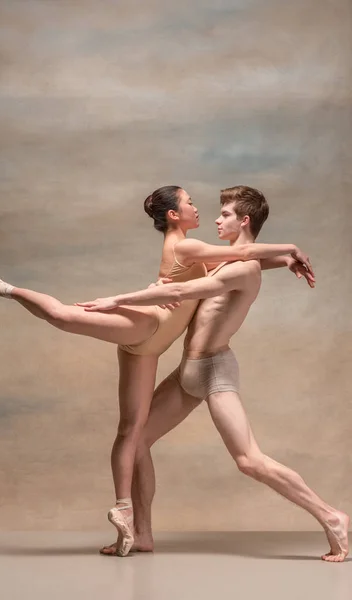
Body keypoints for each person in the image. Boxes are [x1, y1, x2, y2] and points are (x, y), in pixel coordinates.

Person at [0, 185, 313, 557]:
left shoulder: (199, 252)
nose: (202, 210)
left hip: (154, 348)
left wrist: (282, 261)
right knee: (64, 316)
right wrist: (289, 248)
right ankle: (8, 289)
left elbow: (239, 265)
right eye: (190, 203)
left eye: (211, 208)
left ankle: (135, 528)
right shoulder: (185, 246)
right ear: (173, 215)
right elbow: (242, 254)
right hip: (149, 326)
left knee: (133, 433)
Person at [79, 185, 349, 563]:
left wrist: (117, 300)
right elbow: (221, 265)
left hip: (213, 370)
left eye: (225, 214)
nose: (216, 218)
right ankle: (142, 534)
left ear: (244, 220)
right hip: (188, 370)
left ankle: (332, 517)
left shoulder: (241, 268)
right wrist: (285, 258)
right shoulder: (230, 262)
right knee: (137, 439)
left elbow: (193, 286)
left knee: (248, 460)